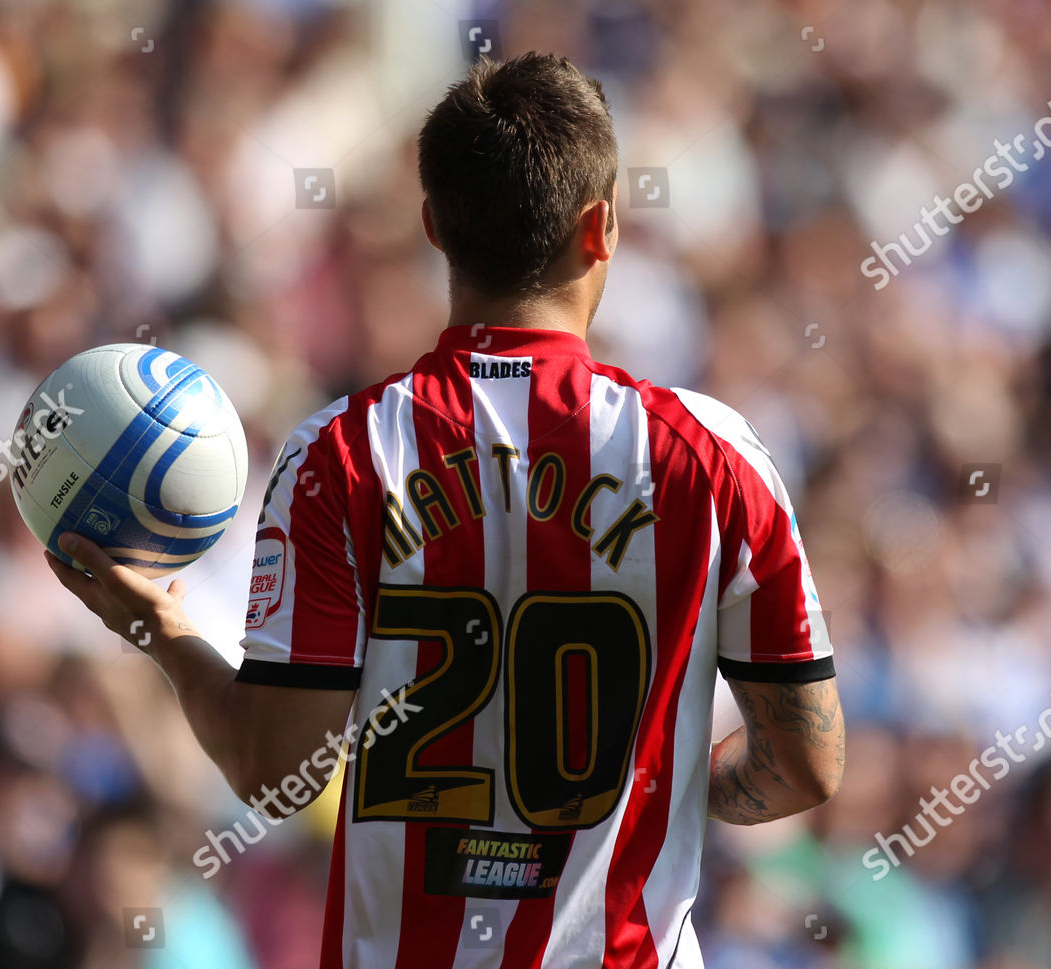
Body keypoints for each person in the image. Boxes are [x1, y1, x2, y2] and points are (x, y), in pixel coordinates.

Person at [47, 51, 844, 969]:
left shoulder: (338, 454)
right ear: (603, 227)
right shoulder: (712, 457)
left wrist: (164, 630)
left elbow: (277, 772)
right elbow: (808, 764)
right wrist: (664, 790)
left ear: (434, 226)